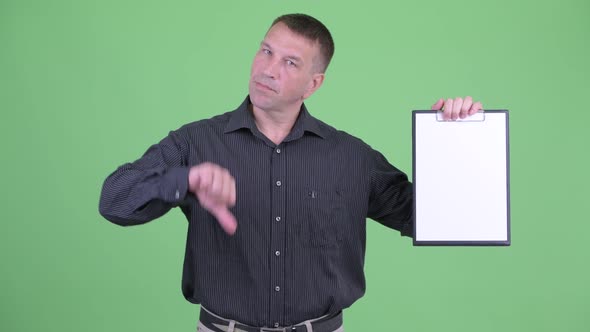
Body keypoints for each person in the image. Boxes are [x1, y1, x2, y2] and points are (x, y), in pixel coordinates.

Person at [99, 13, 483, 332]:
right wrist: (183, 180)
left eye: (289, 62)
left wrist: (455, 141)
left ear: (313, 84)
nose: (268, 69)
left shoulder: (352, 157)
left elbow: (443, 220)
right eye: (266, 51)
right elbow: (114, 201)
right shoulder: (196, 143)